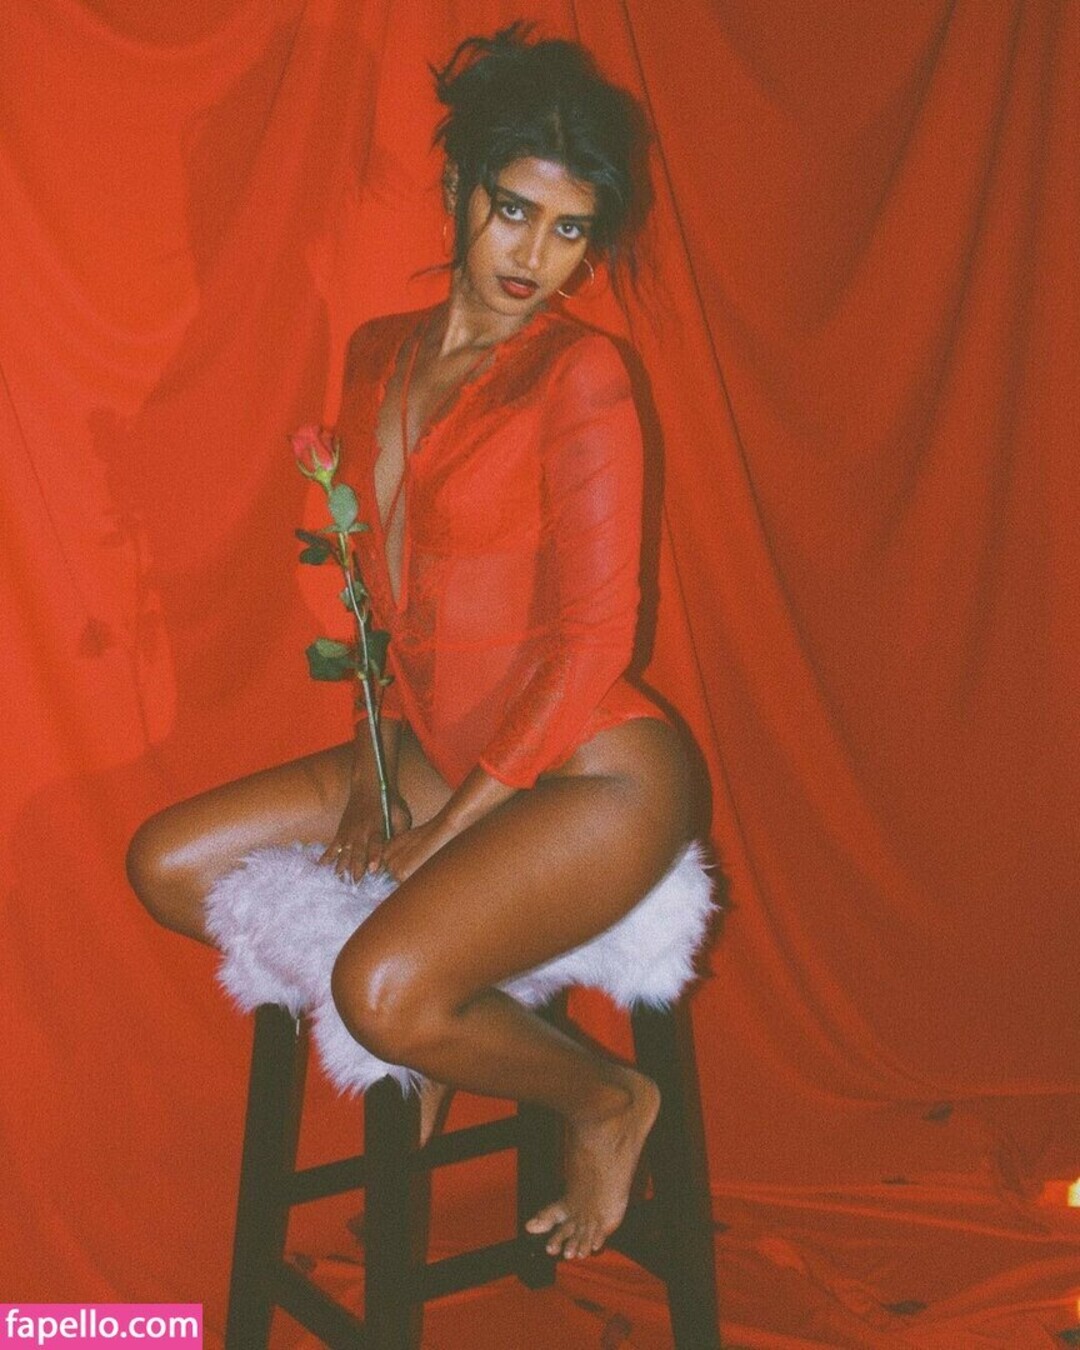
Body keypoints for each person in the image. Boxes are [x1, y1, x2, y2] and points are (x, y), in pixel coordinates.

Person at [127, 25, 693, 1263]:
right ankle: (450, 1019)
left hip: (594, 777)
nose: (533, 256)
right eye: (513, 211)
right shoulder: (377, 355)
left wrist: (440, 836)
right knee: (167, 863)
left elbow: (593, 640)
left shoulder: (581, 375)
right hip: (432, 746)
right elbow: (376, 603)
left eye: (570, 230)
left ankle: (605, 1099)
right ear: (459, 188)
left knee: (378, 989)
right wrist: (374, 771)